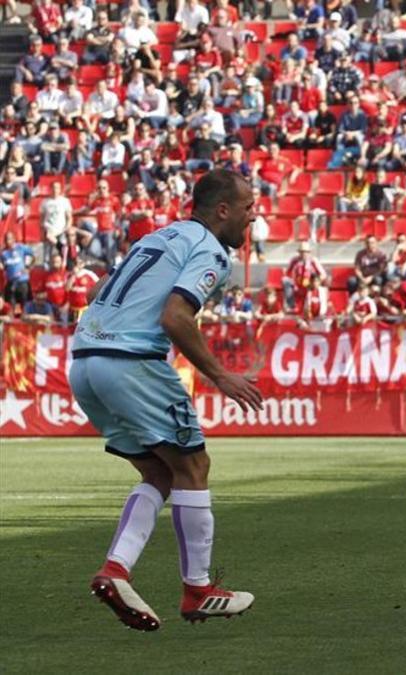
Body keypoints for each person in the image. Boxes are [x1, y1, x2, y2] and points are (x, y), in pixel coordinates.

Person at [71, 170, 262, 632]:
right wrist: (219, 374)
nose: (251, 217)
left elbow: (108, 294)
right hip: (131, 361)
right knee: (194, 467)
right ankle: (198, 590)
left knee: (160, 471)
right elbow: (175, 316)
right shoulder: (210, 248)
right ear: (222, 210)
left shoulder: (158, 236)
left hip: (84, 361)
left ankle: (115, 570)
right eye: (247, 208)